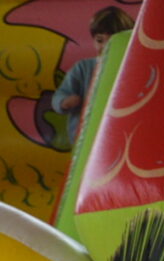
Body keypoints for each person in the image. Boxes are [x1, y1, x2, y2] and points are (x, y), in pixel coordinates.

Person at [42, 8, 127, 153]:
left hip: (120, 134)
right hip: (85, 138)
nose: (105, 46)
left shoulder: (129, 66)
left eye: (113, 41)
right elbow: (60, 94)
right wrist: (64, 102)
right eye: (100, 40)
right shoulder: (84, 68)